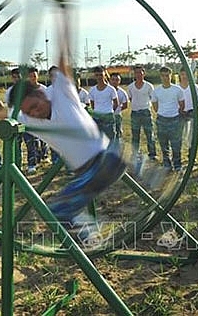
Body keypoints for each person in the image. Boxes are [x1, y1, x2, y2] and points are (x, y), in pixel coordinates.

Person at [10, 35, 126, 224]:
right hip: (86, 174)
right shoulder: (31, 120)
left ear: (41, 93)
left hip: (105, 161)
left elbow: (63, 56)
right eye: (28, 111)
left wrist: (62, 14)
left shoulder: (61, 93)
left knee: (60, 210)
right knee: (57, 212)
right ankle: (91, 234)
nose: (34, 112)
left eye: (35, 106)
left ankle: (148, 169)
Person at [5, 68, 39, 174]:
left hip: (28, 121)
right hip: (15, 122)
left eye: (19, 76)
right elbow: (9, 106)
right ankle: (17, 165)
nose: (17, 79)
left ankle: (31, 164)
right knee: (16, 145)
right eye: (14, 77)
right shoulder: (9, 91)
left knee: (30, 144)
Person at [152, 66, 185, 171]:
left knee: (176, 144)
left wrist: (174, 114)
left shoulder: (177, 90)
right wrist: (163, 112)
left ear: (171, 76)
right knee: (163, 144)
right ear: (160, 77)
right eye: (163, 76)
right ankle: (167, 164)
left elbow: (182, 105)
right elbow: (155, 107)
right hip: (162, 120)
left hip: (175, 120)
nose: (165, 78)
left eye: (167, 75)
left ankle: (177, 165)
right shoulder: (156, 91)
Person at [127, 64, 157, 162]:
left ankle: (152, 154)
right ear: (134, 74)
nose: (138, 74)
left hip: (146, 112)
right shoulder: (130, 87)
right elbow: (131, 98)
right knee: (135, 135)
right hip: (135, 112)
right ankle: (136, 153)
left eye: (140, 72)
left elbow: (152, 99)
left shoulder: (149, 86)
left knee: (149, 134)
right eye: (136, 73)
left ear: (144, 73)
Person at [89, 66, 118, 141]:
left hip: (108, 117)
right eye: (97, 75)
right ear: (94, 76)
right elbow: (92, 104)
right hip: (97, 117)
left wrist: (109, 111)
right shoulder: (92, 90)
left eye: (101, 75)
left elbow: (116, 103)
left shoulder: (111, 89)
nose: (99, 77)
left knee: (110, 139)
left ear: (105, 75)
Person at [178, 67, 198, 150]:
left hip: (191, 113)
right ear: (180, 75)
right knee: (179, 135)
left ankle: (191, 153)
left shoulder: (194, 87)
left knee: (192, 135)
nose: (184, 76)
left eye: (186, 74)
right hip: (180, 113)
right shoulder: (177, 88)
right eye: (183, 74)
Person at [109, 72, 129, 140]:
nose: (114, 81)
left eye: (117, 80)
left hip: (117, 116)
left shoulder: (122, 93)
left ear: (119, 81)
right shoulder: (105, 90)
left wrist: (117, 109)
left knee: (118, 133)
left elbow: (125, 105)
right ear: (109, 80)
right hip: (106, 116)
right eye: (113, 79)